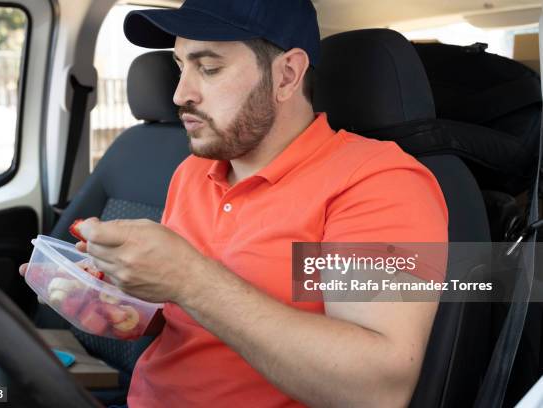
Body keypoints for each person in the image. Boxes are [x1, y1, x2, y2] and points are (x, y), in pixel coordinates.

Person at [22, 0, 448, 406]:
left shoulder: (378, 183)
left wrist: (190, 279)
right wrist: (112, 295)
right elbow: (182, 315)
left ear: (286, 75)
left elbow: (376, 390)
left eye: (208, 68)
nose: (179, 94)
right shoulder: (194, 170)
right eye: (179, 66)